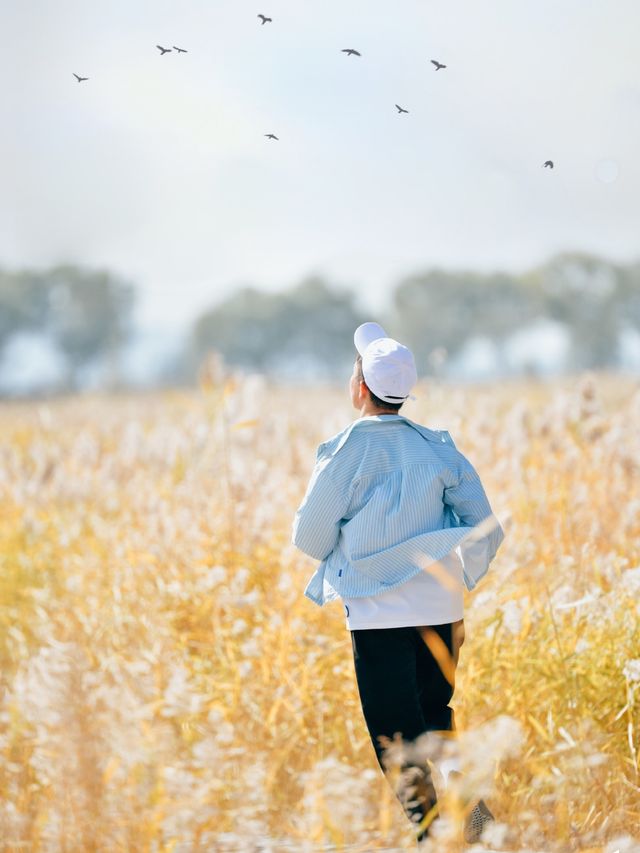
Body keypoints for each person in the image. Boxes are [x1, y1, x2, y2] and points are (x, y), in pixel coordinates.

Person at [291, 322, 505, 847]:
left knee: (397, 738)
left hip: (378, 614)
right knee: (437, 719)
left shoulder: (344, 453)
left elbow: (309, 538)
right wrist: (456, 575)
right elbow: (485, 527)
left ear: (359, 387)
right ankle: (476, 828)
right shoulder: (438, 449)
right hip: (442, 609)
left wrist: (353, 549)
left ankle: (432, 839)